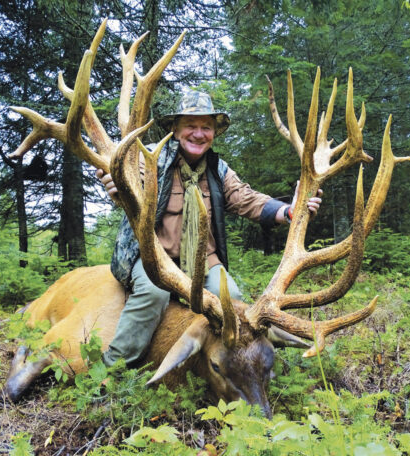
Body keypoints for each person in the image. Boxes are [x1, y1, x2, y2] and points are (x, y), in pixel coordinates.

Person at [95, 91, 322, 367]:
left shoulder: (218, 170)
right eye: (191, 126)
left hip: (204, 261)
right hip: (155, 256)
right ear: (175, 130)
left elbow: (246, 199)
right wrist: (115, 180)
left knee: (232, 300)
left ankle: (230, 365)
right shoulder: (151, 158)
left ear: (214, 133)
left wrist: (289, 209)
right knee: (154, 294)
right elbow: (125, 176)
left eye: (206, 127)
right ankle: (114, 367)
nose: (198, 134)